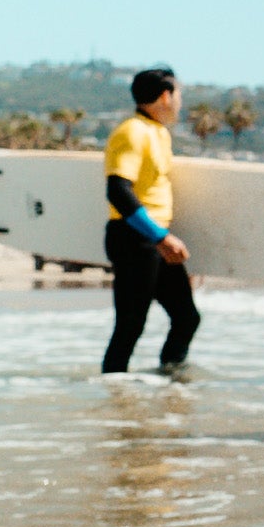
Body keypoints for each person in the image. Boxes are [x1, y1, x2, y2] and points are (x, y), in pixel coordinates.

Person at [101, 68, 200, 375]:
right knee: (130, 325)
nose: (180, 102)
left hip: (155, 239)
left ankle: (170, 386)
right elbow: (118, 190)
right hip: (135, 238)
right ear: (165, 96)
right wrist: (160, 237)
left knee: (186, 317)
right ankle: (115, 395)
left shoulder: (157, 132)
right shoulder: (132, 132)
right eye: (179, 94)